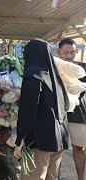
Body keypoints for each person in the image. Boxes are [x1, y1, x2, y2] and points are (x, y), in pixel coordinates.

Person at [14, 39, 70, 180]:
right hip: (59, 140)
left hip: (39, 141)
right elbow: (66, 106)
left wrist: (20, 138)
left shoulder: (33, 75)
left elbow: (28, 110)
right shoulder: (56, 77)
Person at [58, 38, 86, 180]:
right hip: (58, 114)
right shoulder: (54, 68)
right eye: (65, 53)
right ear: (59, 53)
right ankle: (55, 176)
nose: (69, 56)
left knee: (79, 147)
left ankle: (81, 177)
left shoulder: (82, 69)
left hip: (78, 114)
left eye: (72, 52)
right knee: (57, 148)